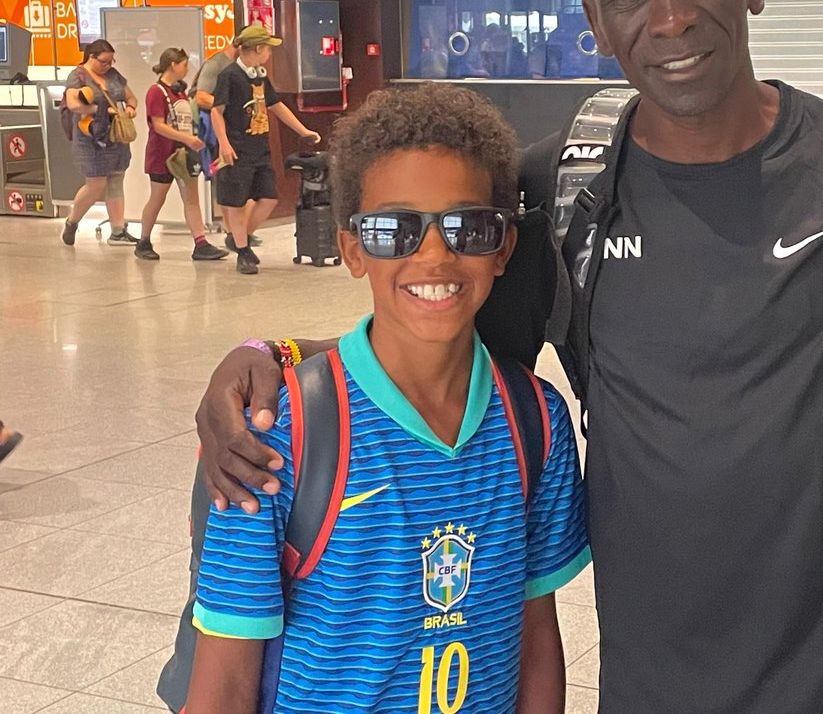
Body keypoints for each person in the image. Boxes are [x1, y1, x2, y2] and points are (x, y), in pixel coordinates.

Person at [193, 0, 823, 714]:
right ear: (596, 23)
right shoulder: (563, 193)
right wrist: (272, 359)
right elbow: (430, 336)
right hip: (660, 684)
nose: (671, 16)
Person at [184, 83, 589, 713]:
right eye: (394, 229)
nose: (435, 255)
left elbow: (535, 636)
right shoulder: (280, 433)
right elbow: (226, 683)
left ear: (503, 247)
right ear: (352, 249)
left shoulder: (537, 423)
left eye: (469, 227)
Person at [209, 25, 320, 275]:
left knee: (269, 198)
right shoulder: (229, 76)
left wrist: (303, 130)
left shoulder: (259, 76)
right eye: (268, 48)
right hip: (236, 149)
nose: (270, 53)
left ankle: (241, 239)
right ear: (258, 48)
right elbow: (217, 111)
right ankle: (243, 252)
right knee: (236, 203)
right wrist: (224, 143)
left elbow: (276, 105)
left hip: (259, 149)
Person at [134, 48, 228, 262]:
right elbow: (158, 125)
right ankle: (144, 239)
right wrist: (186, 138)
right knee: (158, 197)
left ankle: (200, 242)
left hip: (184, 152)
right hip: (163, 153)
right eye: (184, 65)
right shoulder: (156, 92)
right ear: (173, 65)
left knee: (191, 198)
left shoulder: (180, 93)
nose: (186, 69)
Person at [60, 39, 140, 246]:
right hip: (91, 137)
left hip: (115, 134)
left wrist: (130, 108)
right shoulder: (78, 76)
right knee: (96, 184)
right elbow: (73, 104)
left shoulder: (114, 75)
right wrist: (101, 110)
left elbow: (131, 98)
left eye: (111, 61)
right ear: (91, 57)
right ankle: (72, 221)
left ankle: (118, 231)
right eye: (104, 61)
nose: (108, 66)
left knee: (116, 179)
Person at [193, 32, 263, 250]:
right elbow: (201, 96)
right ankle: (231, 231)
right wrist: (231, 103)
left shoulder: (248, 69)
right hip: (217, 132)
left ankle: (240, 231)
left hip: (241, 132)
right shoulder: (216, 64)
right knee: (224, 178)